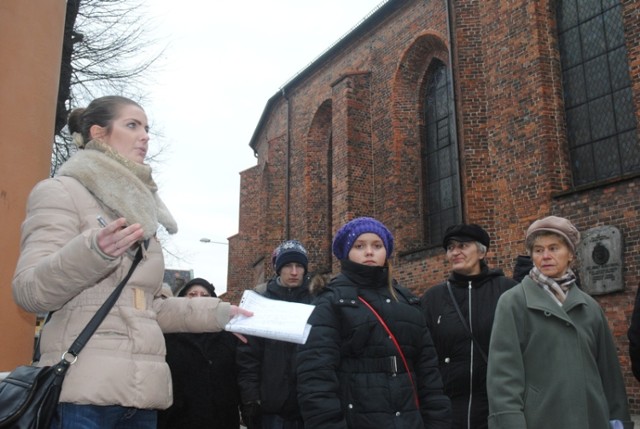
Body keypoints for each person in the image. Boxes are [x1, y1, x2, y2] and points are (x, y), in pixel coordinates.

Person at [11, 95, 251, 429]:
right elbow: (29, 291)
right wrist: (93, 252)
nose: (145, 136)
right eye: (132, 125)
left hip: (141, 399)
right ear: (98, 133)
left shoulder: (141, 213)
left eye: (147, 128)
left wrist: (220, 314)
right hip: (82, 395)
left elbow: (151, 307)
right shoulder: (61, 192)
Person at [297, 217, 451, 429]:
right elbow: (316, 378)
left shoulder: (408, 302)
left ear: (386, 252)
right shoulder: (331, 302)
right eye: (359, 246)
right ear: (346, 252)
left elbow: (430, 376)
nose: (369, 252)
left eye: (377, 245)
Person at [486, 216, 633, 429]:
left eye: (554, 248)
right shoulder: (513, 302)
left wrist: (619, 422)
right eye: (538, 250)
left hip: (592, 420)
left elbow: (610, 376)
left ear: (570, 254)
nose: (546, 256)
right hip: (538, 420)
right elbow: (503, 377)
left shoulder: (590, 307)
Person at [420, 224, 516, 429]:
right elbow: (424, 354)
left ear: (481, 252)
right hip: (449, 410)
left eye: (462, 246)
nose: (455, 252)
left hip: (497, 407)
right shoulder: (433, 298)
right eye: (450, 247)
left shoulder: (508, 292)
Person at [237, 239, 313, 429]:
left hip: (310, 405)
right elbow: (248, 356)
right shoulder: (260, 302)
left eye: (299, 266)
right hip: (271, 407)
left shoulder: (318, 300)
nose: (294, 272)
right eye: (288, 266)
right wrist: (250, 398)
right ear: (278, 269)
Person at [158, 278, 241, 429]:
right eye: (192, 294)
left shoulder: (228, 335)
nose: (198, 300)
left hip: (220, 416)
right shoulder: (169, 335)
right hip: (177, 417)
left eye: (204, 296)